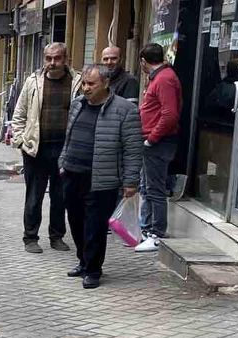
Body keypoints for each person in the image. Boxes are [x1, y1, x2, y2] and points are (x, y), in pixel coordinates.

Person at [58, 65, 143, 289]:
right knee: (75, 222)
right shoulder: (77, 104)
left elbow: (133, 149)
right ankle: (83, 261)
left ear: (105, 83)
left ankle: (93, 270)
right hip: (71, 173)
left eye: (91, 84)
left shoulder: (124, 110)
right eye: (84, 83)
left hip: (101, 179)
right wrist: (62, 163)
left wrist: (131, 181)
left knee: (94, 227)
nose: (86, 88)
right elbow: (68, 136)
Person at [11, 42, 81, 254]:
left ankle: (57, 236)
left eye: (57, 58)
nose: (52, 63)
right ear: (44, 59)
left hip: (65, 150)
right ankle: (30, 237)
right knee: (34, 195)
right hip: (36, 150)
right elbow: (19, 114)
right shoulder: (33, 82)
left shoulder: (77, 82)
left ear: (66, 59)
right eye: (48, 58)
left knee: (61, 197)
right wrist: (21, 141)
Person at [134, 42, 183, 252]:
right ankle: (146, 230)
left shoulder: (164, 79)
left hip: (159, 142)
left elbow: (169, 114)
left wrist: (152, 138)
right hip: (154, 141)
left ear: (144, 61)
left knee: (155, 189)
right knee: (147, 187)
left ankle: (156, 234)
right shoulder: (160, 78)